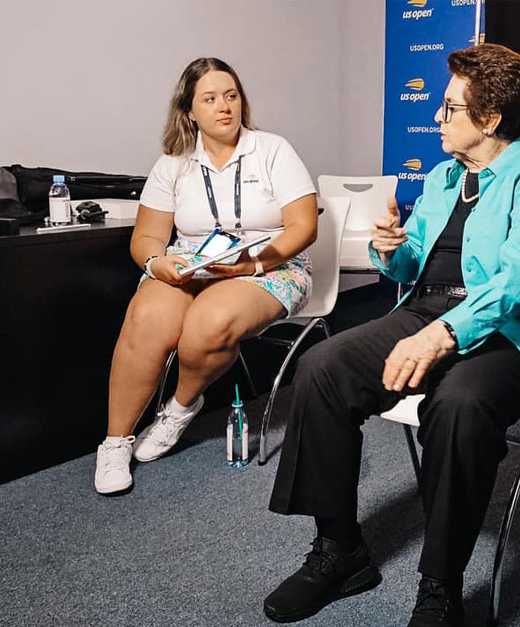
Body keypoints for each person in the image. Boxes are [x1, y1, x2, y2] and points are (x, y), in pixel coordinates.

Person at [263, 44, 520, 627]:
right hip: (424, 314)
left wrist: (443, 336)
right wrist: (393, 250)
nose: (438, 118)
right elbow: (415, 269)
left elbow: (518, 276)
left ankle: (441, 586)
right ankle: (340, 552)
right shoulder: (441, 177)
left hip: (510, 331)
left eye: (450, 108)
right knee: (321, 369)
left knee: (459, 402)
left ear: (489, 120)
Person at [94, 57, 318, 494]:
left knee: (208, 324)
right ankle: (115, 441)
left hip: (266, 266)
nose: (224, 107)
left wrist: (252, 264)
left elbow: (304, 226)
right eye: (210, 98)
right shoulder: (173, 163)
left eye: (231, 96)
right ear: (189, 110)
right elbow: (147, 237)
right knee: (147, 319)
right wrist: (157, 264)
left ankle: (179, 408)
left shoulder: (272, 149)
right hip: (192, 264)